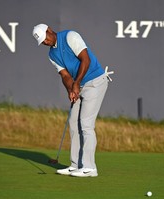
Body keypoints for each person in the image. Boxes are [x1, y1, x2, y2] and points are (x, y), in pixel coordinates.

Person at [32, 24, 113, 177]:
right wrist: (71, 89)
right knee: (73, 123)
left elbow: (86, 60)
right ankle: (76, 165)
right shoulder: (52, 55)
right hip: (79, 85)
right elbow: (65, 75)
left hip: (95, 81)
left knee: (86, 124)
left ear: (49, 30)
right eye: (42, 42)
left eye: (45, 38)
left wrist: (76, 83)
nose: (45, 42)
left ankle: (90, 167)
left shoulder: (70, 36)